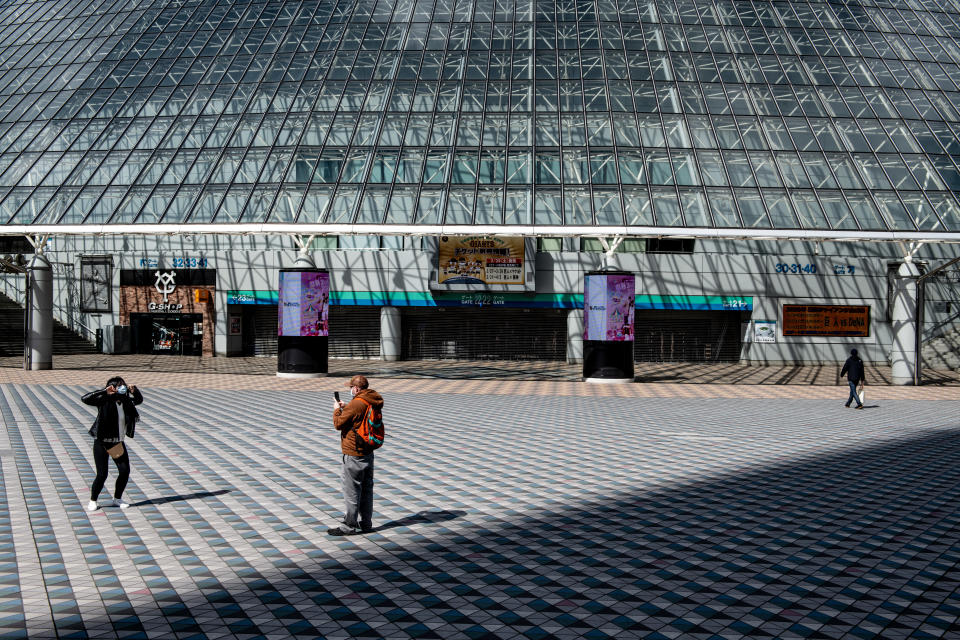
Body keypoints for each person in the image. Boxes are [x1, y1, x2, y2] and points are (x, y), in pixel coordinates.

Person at [328, 375, 383, 536]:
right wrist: (347, 407)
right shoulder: (371, 399)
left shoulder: (357, 403)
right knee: (366, 489)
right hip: (368, 450)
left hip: (353, 452)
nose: (350, 390)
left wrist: (337, 409)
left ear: (357, 389)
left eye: (351, 387)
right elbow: (358, 416)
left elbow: (338, 424)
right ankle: (366, 523)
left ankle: (349, 525)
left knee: (351, 490)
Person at [82, 376, 143, 510]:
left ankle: (117, 499)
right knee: (102, 474)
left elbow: (138, 400)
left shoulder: (125, 401)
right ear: (112, 387)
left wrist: (135, 391)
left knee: (124, 471)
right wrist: (104, 391)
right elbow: (85, 398)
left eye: (124, 384)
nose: (123, 386)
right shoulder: (104, 401)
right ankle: (93, 500)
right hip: (102, 443)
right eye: (119, 385)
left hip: (117, 443)